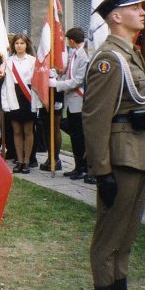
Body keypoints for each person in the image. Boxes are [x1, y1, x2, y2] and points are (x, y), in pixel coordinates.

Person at [83, 0, 145, 290]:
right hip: (121, 159)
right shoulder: (108, 59)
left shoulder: (131, 53)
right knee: (108, 238)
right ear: (116, 16)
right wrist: (102, 171)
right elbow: (95, 117)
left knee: (126, 236)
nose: (142, 12)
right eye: (135, 8)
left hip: (140, 153)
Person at [50, 27, 90, 180]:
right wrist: (58, 76)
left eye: (68, 40)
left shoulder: (84, 56)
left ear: (72, 41)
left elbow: (78, 80)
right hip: (72, 102)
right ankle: (77, 165)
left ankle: (83, 167)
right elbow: (69, 74)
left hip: (79, 101)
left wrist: (57, 85)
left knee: (79, 137)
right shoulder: (75, 55)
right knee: (74, 136)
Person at [1, 34, 36, 174]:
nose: (19, 45)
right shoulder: (9, 62)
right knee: (16, 131)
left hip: (28, 97)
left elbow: (37, 83)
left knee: (28, 131)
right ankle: (19, 160)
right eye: (17, 43)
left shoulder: (33, 61)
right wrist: (5, 103)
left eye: (22, 43)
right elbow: (5, 85)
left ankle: (27, 161)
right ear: (13, 45)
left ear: (26, 44)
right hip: (13, 97)